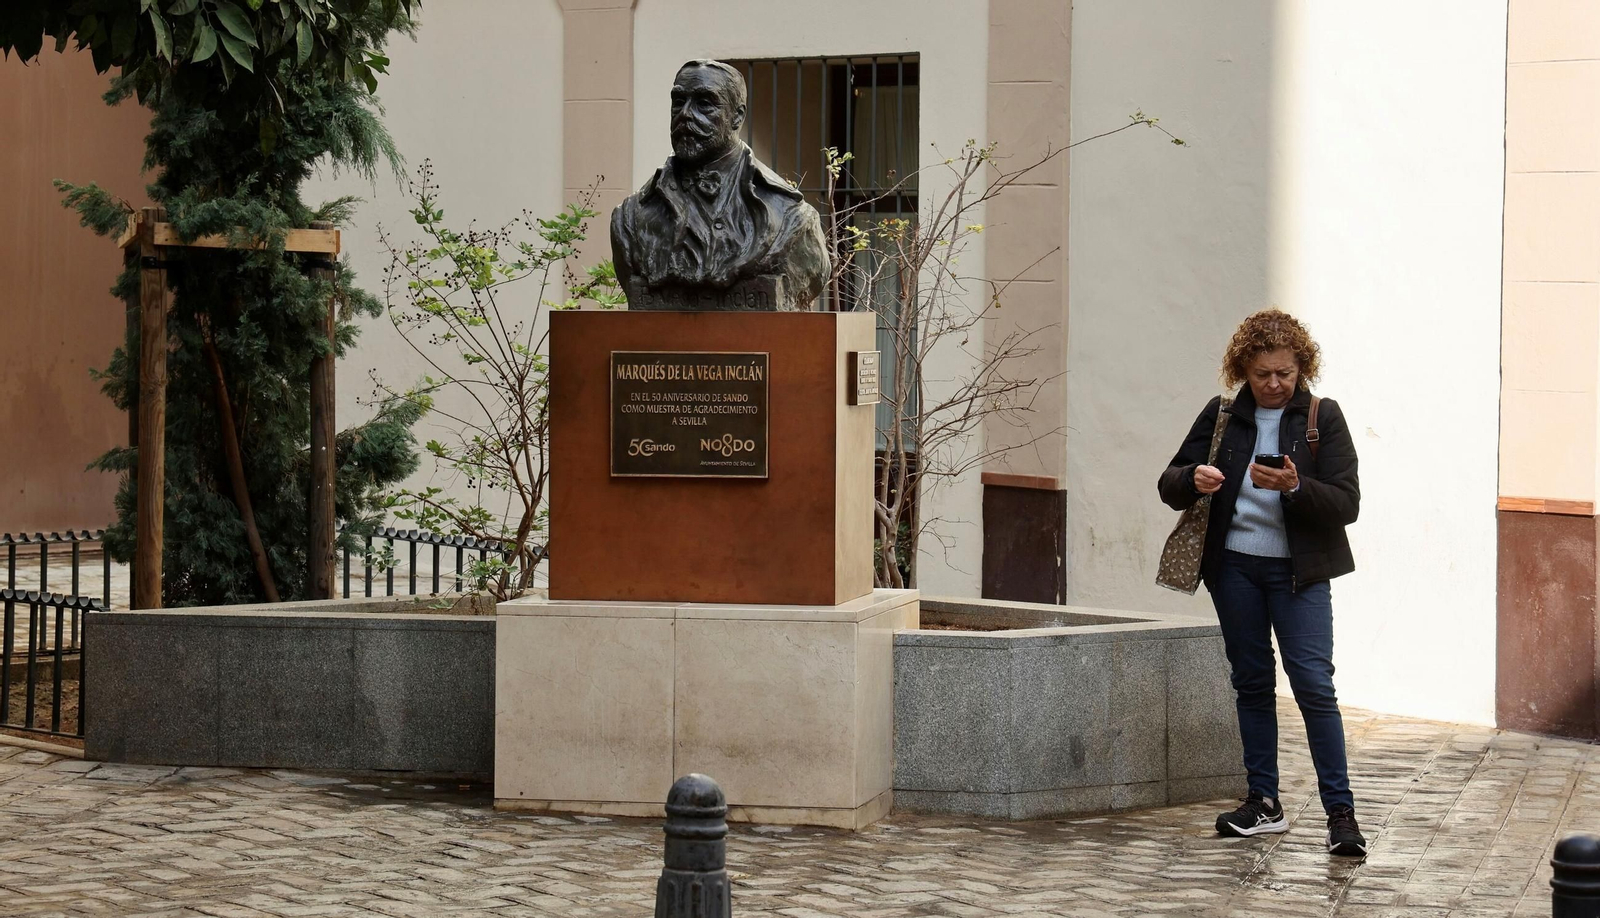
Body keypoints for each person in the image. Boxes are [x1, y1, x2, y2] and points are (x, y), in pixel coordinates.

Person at [1157, 309, 1367, 857]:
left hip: (1299, 574)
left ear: (1302, 368)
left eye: (1285, 373)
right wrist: (1193, 478)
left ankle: (1340, 814)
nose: (1274, 384)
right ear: (1242, 371)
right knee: (1251, 683)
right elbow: (1169, 483)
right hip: (1234, 569)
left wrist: (1295, 487)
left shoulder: (1323, 417)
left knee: (1314, 687)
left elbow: (1347, 503)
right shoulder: (1222, 414)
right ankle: (1264, 802)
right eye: (1262, 374)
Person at [610, 59, 830, 310]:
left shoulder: (790, 217)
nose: (685, 114)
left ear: (737, 116)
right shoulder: (630, 219)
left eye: (704, 103)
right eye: (679, 101)